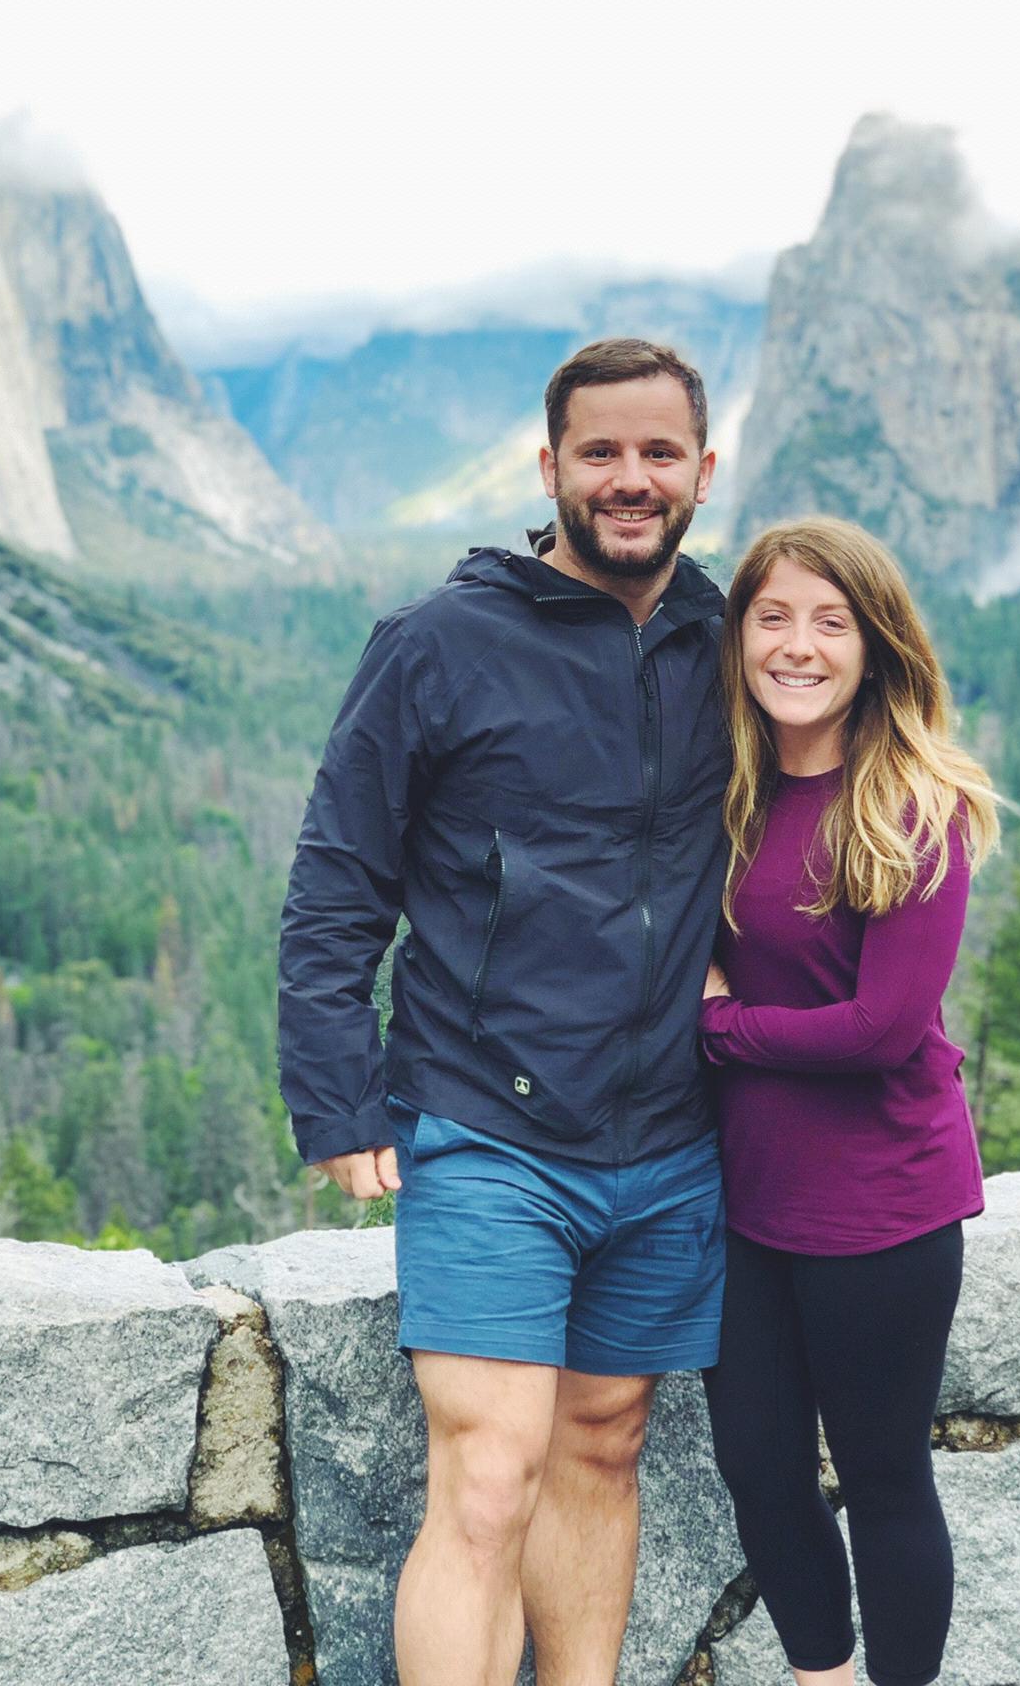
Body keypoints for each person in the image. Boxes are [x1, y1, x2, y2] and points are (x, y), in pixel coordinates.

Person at [277, 339, 731, 1686]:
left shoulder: (727, 635)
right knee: (486, 1474)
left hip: (668, 1134)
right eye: (601, 453)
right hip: (487, 1130)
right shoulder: (437, 645)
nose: (630, 480)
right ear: (549, 469)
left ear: (704, 470)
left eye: (659, 454)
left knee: (604, 1444)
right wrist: (339, 1092)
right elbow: (335, 883)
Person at [698, 516, 1000, 1686]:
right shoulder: (723, 791)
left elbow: (879, 1030)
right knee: (760, 1467)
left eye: (831, 621)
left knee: (881, 1472)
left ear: (874, 645)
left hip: (883, 1199)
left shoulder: (910, 804)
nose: (799, 645)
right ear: (741, 636)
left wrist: (715, 1024)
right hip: (743, 1196)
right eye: (773, 615)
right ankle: (821, 1674)